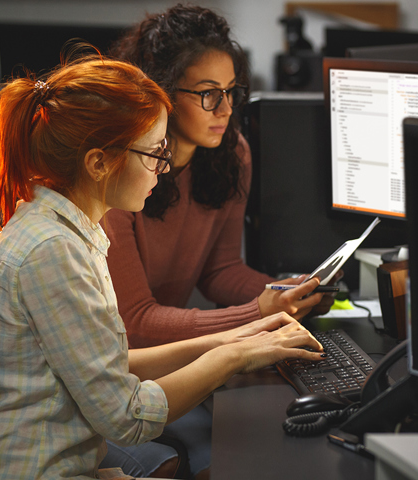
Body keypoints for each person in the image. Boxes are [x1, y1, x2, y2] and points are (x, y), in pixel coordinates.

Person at [0, 53, 326, 480]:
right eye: (152, 154)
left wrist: (234, 336)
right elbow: (126, 418)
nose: (162, 170)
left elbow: (110, 361)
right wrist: (234, 357)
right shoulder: (53, 250)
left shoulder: (66, 227)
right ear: (98, 163)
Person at [107, 5, 338, 478]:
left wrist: (285, 291)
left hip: (163, 365)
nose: (227, 110)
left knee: (254, 449)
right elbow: (133, 324)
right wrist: (256, 315)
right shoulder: (118, 174)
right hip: (118, 372)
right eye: (209, 95)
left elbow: (219, 270)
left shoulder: (230, 153)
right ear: (162, 93)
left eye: (231, 92)